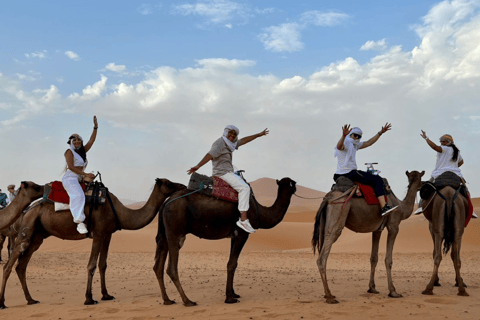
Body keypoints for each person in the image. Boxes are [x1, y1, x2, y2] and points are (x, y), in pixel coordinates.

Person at [187, 125, 269, 233]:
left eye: (234, 134)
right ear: (226, 132)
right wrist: (198, 166)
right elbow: (210, 154)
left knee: (242, 182)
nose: (232, 135)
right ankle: (243, 219)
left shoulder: (231, 144)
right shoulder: (220, 143)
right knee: (244, 188)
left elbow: (243, 140)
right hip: (222, 173)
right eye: (230, 133)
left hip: (229, 171)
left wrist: (258, 135)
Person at [334, 123, 397, 216]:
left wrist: (380, 133)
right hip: (349, 173)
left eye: (358, 136)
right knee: (377, 179)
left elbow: (368, 143)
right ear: (350, 134)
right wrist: (343, 136)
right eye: (354, 135)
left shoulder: (354, 145)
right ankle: (384, 207)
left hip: (342, 173)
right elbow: (339, 146)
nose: (356, 137)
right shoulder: (346, 142)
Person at [415, 131, 477, 218]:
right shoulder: (457, 151)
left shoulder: (445, 148)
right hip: (455, 174)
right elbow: (461, 162)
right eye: (441, 142)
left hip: (439, 173)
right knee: (465, 189)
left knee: (427, 186)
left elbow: (435, 147)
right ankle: (471, 210)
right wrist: (453, 166)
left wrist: (426, 138)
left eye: (443, 141)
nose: (442, 143)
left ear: (449, 142)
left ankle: (421, 206)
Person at [62, 116, 98, 234]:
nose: (77, 142)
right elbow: (71, 167)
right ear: (72, 143)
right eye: (75, 141)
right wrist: (84, 173)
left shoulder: (82, 152)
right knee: (79, 196)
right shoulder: (69, 152)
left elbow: (92, 140)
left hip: (79, 178)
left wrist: (95, 127)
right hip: (71, 178)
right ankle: (79, 222)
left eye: (79, 140)